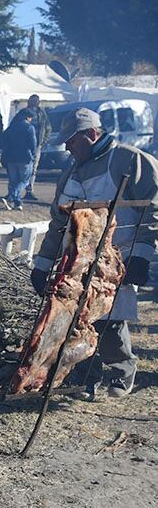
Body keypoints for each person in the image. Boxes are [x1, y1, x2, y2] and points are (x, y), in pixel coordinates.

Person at [30, 107, 157, 400]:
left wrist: (141, 254)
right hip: (75, 262)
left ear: (91, 134)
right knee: (76, 321)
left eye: (71, 141)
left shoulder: (129, 160)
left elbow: (152, 207)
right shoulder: (71, 172)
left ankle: (122, 372)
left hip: (116, 257)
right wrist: (42, 263)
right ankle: (87, 376)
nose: (66, 147)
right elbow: (59, 222)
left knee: (110, 321)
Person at [0, 109, 37, 211]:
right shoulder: (30, 128)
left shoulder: (11, 128)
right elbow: (33, 144)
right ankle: (13, 195)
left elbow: (4, 141)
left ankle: (17, 203)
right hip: (24, 157)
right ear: (27, 117)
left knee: (14, 181)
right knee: (24, 181)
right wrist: (33, 155)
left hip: (11, 158)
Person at [22, 94, 51, 202]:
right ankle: (14, 191)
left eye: (36, 101)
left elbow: (48, 128)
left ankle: (29, 190)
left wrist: (44, 141)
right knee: (22, 167)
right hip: (23, 145)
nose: (34, 102)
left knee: (33, 168)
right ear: (28, 101)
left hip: (36, 145)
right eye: (32, 100)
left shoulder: (42, 114)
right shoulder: (22, 112)